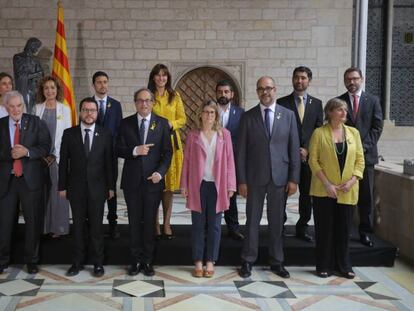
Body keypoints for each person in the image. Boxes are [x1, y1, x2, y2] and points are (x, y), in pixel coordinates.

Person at [237, 76, 300, 279]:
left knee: (276, 223)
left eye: (269, 88)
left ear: (275, 89)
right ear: (257, 92)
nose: (266, 92)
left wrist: (294, 179)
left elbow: (293, 149)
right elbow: (241, 153)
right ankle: (248, 260)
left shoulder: (288, 116)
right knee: (252, 222)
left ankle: (277, 261)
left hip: (280, 179)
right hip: (254, 179)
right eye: (261, 89)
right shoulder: (248, 117)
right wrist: (242, 181)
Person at [117, 88, 172, 276]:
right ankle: (135, 260)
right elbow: (118, 148)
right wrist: (134, 150)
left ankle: (148, 261)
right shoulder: (125, 124)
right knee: (133, 223)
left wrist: (161, 172)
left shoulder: (162, 124)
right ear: (135, 102)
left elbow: (168, 152)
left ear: (153, 102)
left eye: (148, 100)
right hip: (132, 182)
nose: (144, 104)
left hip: (153, 183)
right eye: (140, 100)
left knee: (149, 223)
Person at [308, 98, 365, 278]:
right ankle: (323, 265)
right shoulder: (319, 133)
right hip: (323, 190)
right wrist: (327, 184)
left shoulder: (353, 133)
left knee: (344, 230)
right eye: (340, 110)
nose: (344, 113)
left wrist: (352, 180)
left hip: (347, 190)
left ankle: (344, 265)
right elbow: (313, 160)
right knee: (325, 230)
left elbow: (360, 160)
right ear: (330, 112)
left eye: (345, 110)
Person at [58, 97, 114, 277]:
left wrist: (111, 187)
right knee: (79, 227)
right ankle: (77, 262)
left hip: (98, 189)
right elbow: (63, 164)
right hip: (76, 189)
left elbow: (109, 163)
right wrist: (62, 186)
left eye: (93, 110)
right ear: (80, 112)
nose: (89, 114)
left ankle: (98, 263)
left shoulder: (105, 134)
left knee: (97, 228)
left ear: (97, 113)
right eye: (86, 110)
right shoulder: (69, 134)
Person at [181, 100, 236, 278]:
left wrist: (231, 185)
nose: (209, 115)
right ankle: (198, 260)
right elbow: (187, 162)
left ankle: (211, 261)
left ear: (216, 115)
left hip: (217, 185)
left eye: (212, 112)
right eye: (206, 112)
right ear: (200, 114)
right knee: (197, 225)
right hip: (198, 184)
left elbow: (230, 161)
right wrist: (184, 185)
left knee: (214, 225)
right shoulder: (192, 135)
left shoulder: (224, 135)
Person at [0, 91, 51, 275]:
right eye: (11, 106)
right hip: (7, 181)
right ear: (6, 107)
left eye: (18, 106)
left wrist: (27, 152)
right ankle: (3, 259)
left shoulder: (36, 122)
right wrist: (11, 154)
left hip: (30, 180)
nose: (15, 109)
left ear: (23, 106)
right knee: (4, 223)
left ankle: (32, 260)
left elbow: (46, 146)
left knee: (33, 222)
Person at [338, 67, 383, 247]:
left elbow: (377, 127)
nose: (352, 82)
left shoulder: (373, 100)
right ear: (344, 81)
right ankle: (345, 231)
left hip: (366, 157)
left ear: (361, 79)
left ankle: (365, 232)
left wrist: (362, 148)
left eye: (355, 78)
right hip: (344, 158)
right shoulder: (339, 101)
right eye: (348, 79)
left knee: (366, 197)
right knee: (345, 196)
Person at [277, 66, 323, 242]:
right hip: (286, 159)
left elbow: (319, 130)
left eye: (303, 78)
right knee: (281, 195)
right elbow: (279, 131)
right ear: (292, 79)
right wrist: (293, 149)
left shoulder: (317, 104)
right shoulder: (282, 103)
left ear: (309, 81)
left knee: (306, 195)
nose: (299, 81)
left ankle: (302, 228)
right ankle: (279, 227)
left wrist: (308, 149)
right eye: (296, 77)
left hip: (308, 159)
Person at [148, 64, 186, 240]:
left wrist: (171, 124)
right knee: (155, 184)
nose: (161, 78)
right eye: (158, 75)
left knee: (169, 187)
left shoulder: (174, 95)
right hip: (152, 143)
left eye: (164, 75)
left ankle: (167, 223)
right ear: (153, 77)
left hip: (171, 141)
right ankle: (154, 223)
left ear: (167, 77)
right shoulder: (148, 95)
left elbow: (182, 119)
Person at [33, 76, 71, 238]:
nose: (49, 91)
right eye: (46, 88)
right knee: (41, 192)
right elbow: (33, 135)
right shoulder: (36, 108)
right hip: (39, 158)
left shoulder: (65, 109)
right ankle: (43, 227)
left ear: (57, 90)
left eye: (52, 88)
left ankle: (59, 227)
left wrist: (54, 155)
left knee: (58, 192)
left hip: (57, 157)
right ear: (42, 91)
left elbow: (67, 136)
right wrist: (40, 155)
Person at [92, 71, 123, 239]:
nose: (102, 85)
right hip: (92, 156)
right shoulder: (89, 104)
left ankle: (113, 224)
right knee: (93, 190)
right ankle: (93, 224)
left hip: (111, 155)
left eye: (105, 82)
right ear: (94, 85)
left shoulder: (115, 105)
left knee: (111, 190)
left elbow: (120, 129)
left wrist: (116, 148)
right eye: (99, 82)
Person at [216, 80, 245, 241]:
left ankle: (233, 228)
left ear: (232, 95)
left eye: (226, 92)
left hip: (231, 161)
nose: (223, 95)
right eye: (220, 92)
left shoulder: (241, 113)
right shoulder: (210, 112)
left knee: (230, 195)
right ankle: (210, 228)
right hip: (212, 162)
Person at [13, 37, 44, 113]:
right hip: (22, 89)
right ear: (32, 46)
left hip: (34, 90)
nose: (37, 50)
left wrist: (36, 75)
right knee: (22, 110)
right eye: (36, 47)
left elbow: (41, 74)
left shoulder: (36, 60)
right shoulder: (18, 57)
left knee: (33, 112)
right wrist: (35, 75)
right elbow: (20, 75)